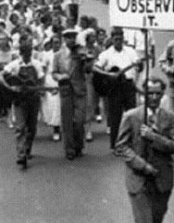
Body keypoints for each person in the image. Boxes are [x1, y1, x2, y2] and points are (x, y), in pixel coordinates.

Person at [114, 77, 174, 223]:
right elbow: (120, 147)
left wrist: (154, 137)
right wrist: (142, 165)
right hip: (138, 180)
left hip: (162, 179)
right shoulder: (131, 116)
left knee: (155, 221)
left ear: (162, 95)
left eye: (157, 93)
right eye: (149, 93)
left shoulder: (170, 117)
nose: (153, 97)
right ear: (142, 94)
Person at [0, 34, 44, 169]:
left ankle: (27, 148)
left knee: (32, 128)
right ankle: (21, 155)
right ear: (21, 53)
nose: (28, 56)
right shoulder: (14, 65)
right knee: (20, 128)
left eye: (30, 53)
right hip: (19, 100)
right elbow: (0, 76)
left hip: (33, 99)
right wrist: (8, 87)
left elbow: (41, 80)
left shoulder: (37, 64)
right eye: (25, 54)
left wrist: (38, 88)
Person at [93, 27, 141, 149]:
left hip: (129, 86)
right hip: (114, 88)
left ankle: (133, 142)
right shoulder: (106, 54)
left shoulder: (131, 51)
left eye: (120, 39)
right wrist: (108, 74)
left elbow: (138, 66)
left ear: (123, 38)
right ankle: (115, 144)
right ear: (112, 39)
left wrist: (141, 65)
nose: (118, 41)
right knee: (115, 117)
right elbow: (95, 67)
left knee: (132, 115)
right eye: (116, 39)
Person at [52, 29, 90, 160]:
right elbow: (54, 72)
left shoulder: (80, 52)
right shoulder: (58, 55)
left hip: (79, 90)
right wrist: (60, 77)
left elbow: (88, 70)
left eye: (73, 37)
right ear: (64, 39)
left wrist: (85, 60)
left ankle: (79, 145)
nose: (71, 40)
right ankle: (69, 149)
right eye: (68, 38)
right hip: (66, 90)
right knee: (67, 121)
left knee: (79, 120)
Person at [40, 36, 61, 142]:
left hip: (62, 80)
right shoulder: (47, 55)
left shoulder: (64, 54)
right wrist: (42, 86)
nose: (56, 45)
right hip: (51, 81)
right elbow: (43, 71)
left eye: (58, 42)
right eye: (54, 43)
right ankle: (56, 129)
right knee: (54, 106)